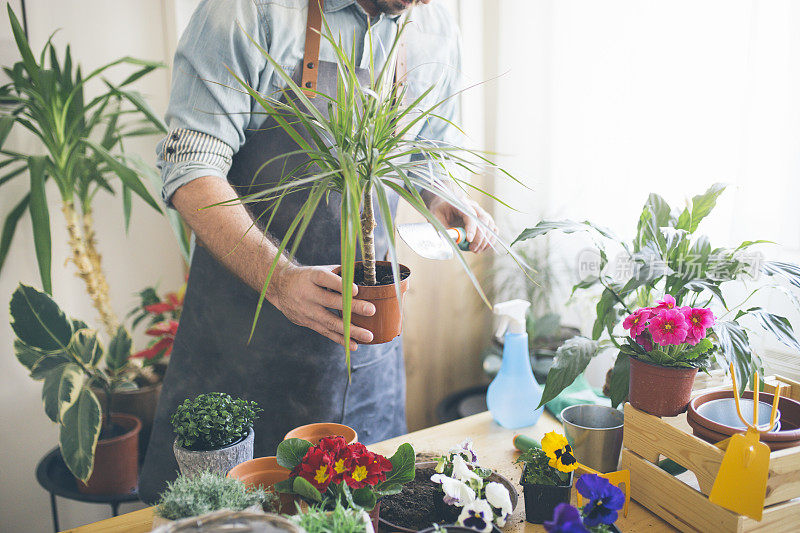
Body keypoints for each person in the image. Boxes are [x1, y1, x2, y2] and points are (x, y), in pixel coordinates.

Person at [139, 0, 497, 502]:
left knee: (359, 510)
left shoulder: (434, 28)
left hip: (365, 356)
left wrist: (446, 199)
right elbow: (192, 171)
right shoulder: (251, 10)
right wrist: (281, 280)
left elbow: (424, 154)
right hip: (246, 348)